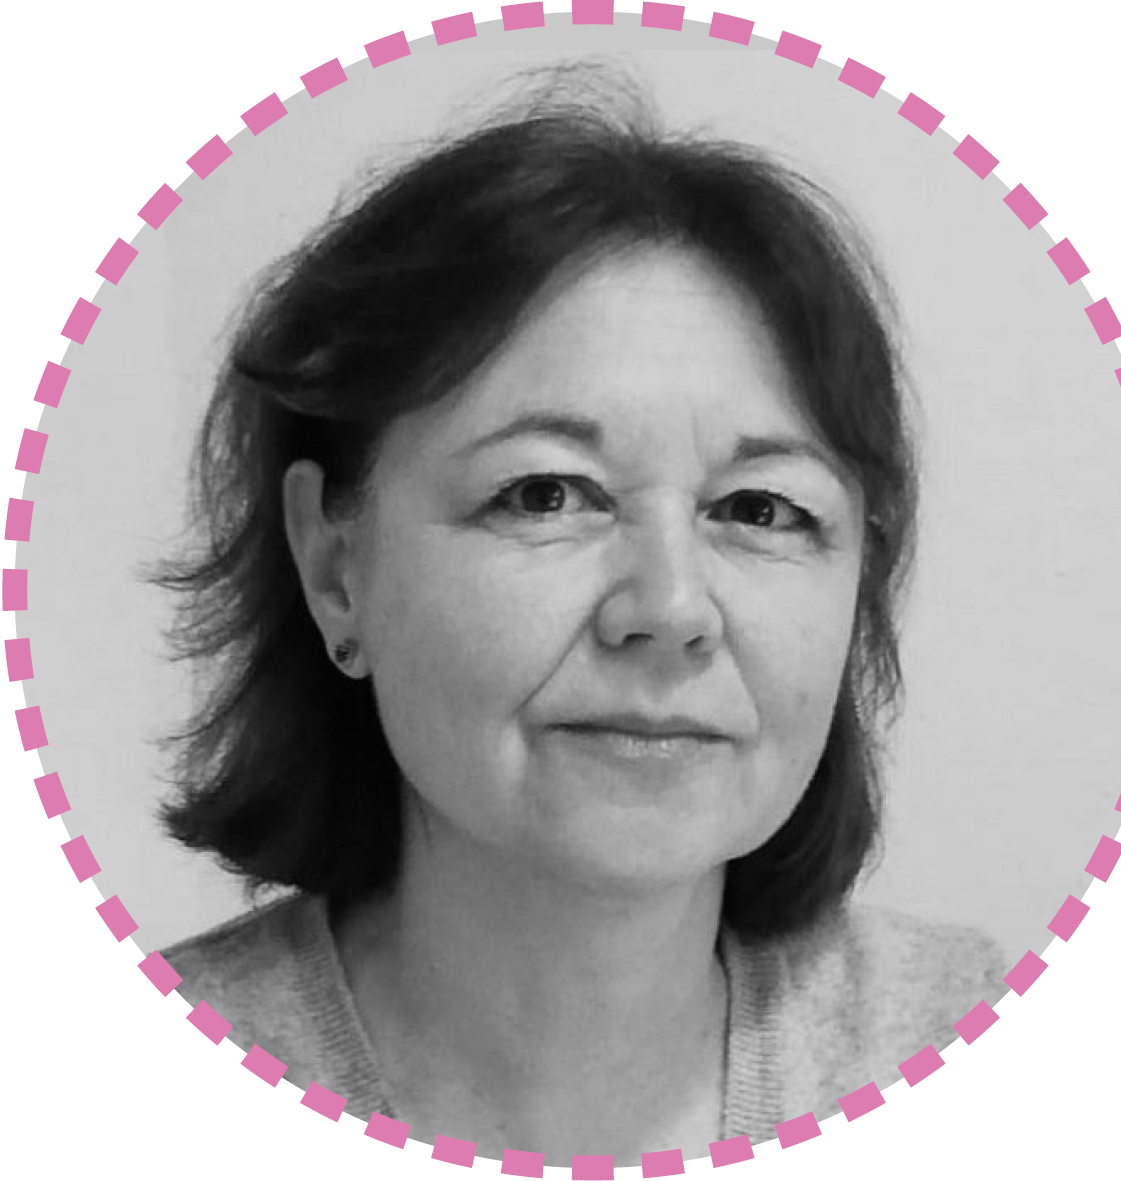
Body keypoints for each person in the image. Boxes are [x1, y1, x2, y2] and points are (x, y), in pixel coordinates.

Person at [160, 73, 1004, 1165]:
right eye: (545, 493)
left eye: (759, 509)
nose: (669, 609)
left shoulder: (977, 1039)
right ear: (334, 566)